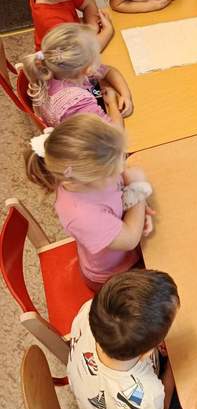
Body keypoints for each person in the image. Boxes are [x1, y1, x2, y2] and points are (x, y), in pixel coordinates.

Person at [25, 115, 154, 291]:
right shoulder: (81, 215)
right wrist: (139, 191)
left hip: (127, 247)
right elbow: (130, 239)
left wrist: (137, 206)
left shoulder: (92, 175)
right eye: (112, 171)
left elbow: (122, 182)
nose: (121, 169)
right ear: (85, 178)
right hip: (115, 275)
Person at [67, 269, 181, 409]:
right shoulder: (146, 395)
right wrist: (171, 369)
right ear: (148, 352)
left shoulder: (91, 310)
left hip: (90, 394)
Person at [21, 23, 132, 128]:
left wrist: (125, 95)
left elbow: (109, 71)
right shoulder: (77, 104)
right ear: (88, 70)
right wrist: (112, 103)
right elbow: (115, 131)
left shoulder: (51, 69)